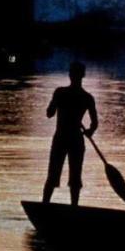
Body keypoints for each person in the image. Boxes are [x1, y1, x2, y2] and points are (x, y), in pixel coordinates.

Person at [42, 61, 98, 206]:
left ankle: (46, 205)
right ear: (83, 75)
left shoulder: (61, 93)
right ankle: (72, 208)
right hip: (74, 140)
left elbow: (49, 114)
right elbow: (95, 124)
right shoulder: (86, 97)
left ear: (70, 75)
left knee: (59, 176)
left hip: (63, 139)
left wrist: (55, 105)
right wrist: (89, 131)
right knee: (70, 178)